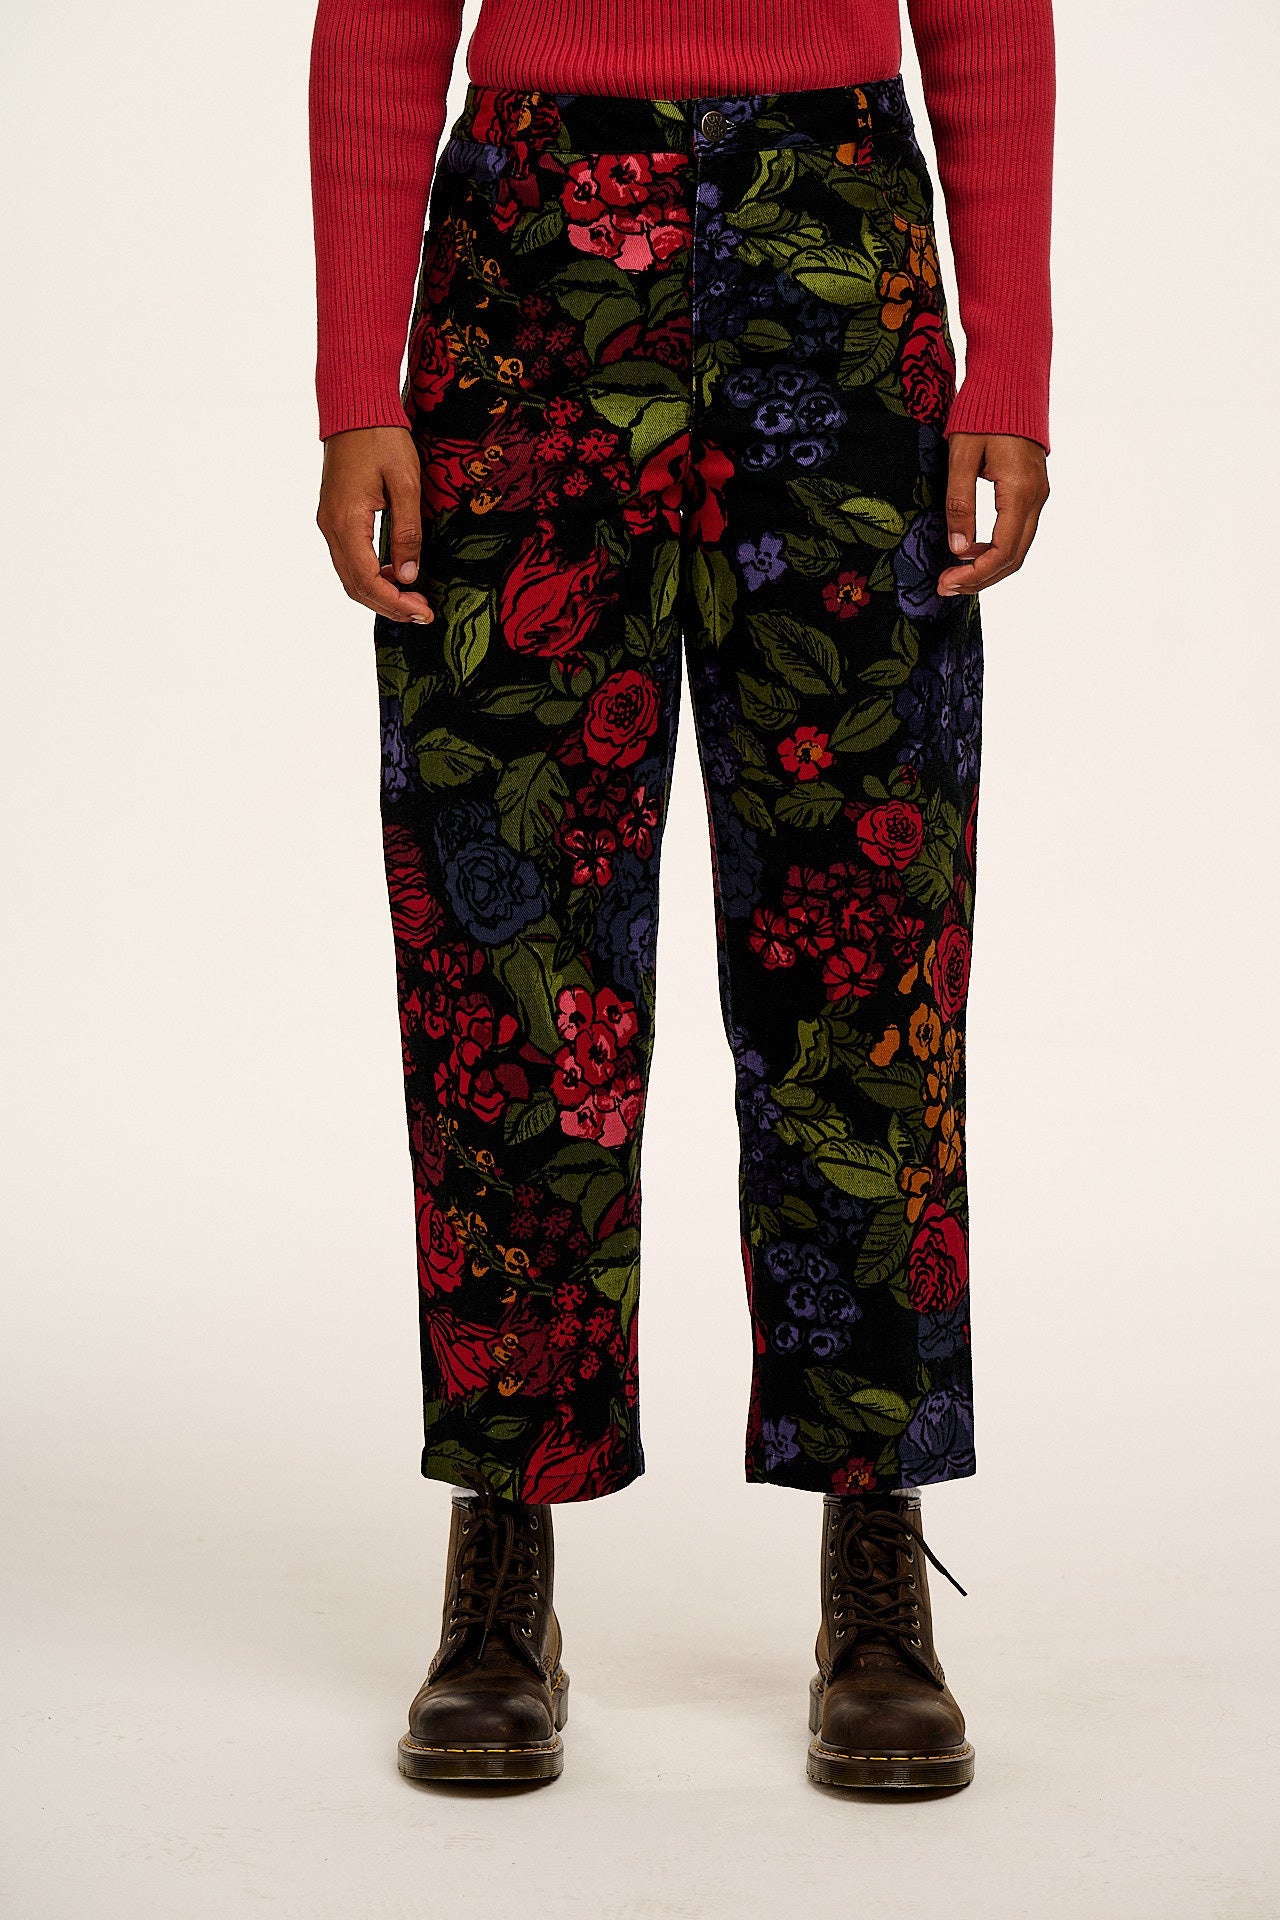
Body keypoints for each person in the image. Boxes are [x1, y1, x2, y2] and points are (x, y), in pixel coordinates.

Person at [309, 0, 1052, 1792]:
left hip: (837, 246)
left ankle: (875, 1549)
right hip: (527, 270)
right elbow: (383, 22)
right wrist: (356, 388)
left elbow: (988, 18)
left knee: (865, 944)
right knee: (510, 951)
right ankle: (505, 1542)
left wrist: (1010, 369)